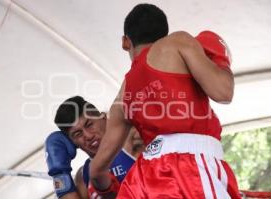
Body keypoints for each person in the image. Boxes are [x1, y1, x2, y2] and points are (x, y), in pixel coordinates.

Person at [90, 3, 241, 199]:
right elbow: (223, 92)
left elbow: (97, 169)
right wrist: (221, 62)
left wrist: (104, 190)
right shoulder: (177, 43)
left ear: (125, 42)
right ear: (164, 33)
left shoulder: (121, 97)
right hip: (191, 168)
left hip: (142, 180)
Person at [45, 96, 144, 199]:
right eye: (78, 134)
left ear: (104, 117)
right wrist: (59, 174)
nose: (88, 136)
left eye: (89, 125)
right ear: (72, 142)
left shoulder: (131, 139)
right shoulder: (83, 175)